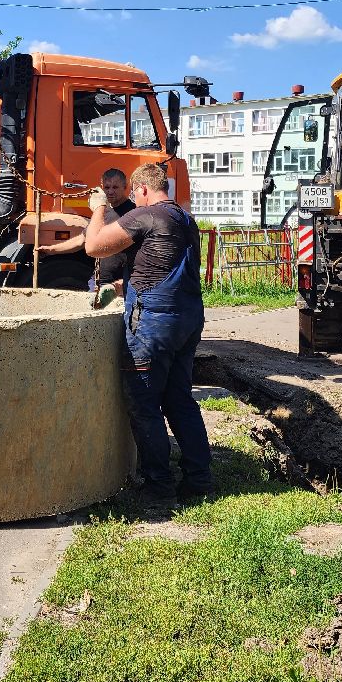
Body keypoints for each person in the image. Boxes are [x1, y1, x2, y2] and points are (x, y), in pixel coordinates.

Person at [84, 162, 214, 506]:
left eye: (134, 195)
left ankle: (159, 486)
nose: (133, 200)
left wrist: (99, 207)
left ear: (141, 189)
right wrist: (118, 286)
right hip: (188, 320)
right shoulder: (186, 220)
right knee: (179, 400)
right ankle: (199, 479)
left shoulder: (146, 215)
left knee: (144, 404)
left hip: (153, 326)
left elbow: (94, 246)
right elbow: (160, 266)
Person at [36, 167, 136, 294]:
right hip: (97, 282)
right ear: (102, 187)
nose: (110, 191)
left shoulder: (133, 212)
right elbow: (81, 240)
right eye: (107, 187)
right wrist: (52, 250)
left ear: (125, 187)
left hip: (120, 285)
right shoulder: (103, 212)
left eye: (115, 187)